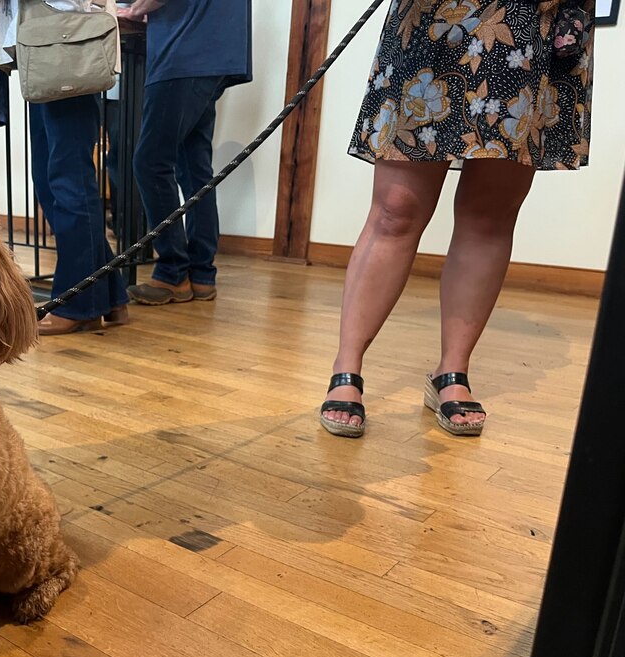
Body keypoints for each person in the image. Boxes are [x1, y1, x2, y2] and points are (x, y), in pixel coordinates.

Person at [320, 0, 595, 439]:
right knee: (396, 209)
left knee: (490, 215)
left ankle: (452, 371)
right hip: (435, 13)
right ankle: (346, 367)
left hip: (530, 23)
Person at [118, 0, 252, 306]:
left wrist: (137, 8)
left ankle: (172, 273)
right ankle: (201, 274)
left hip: (183, 49)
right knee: (194, 166)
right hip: (215, 49)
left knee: (150, 162)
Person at [30, 1, 129, 336]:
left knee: (67, 180)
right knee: (51, 180)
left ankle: (78, 303)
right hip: (46, 48)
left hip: (65, 43)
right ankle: (110, 295)